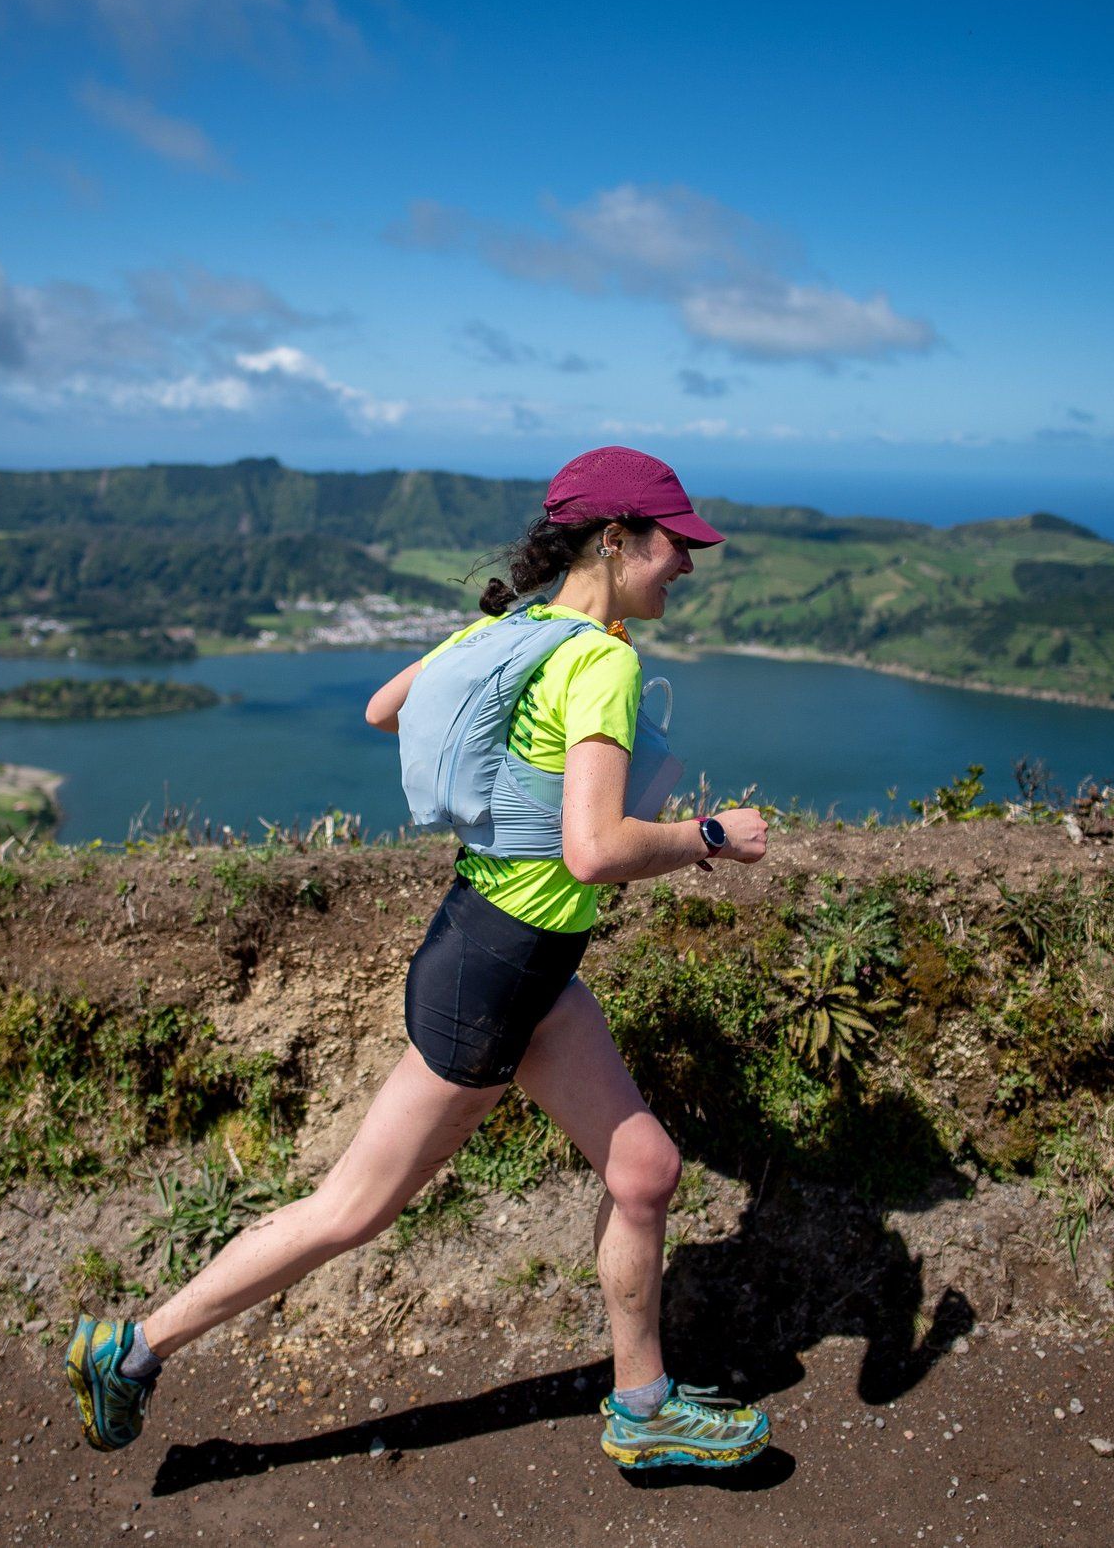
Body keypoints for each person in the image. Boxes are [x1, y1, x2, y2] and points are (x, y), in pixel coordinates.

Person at [67, 445, 775, 1471]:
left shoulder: (518, 629)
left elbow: (386, 706)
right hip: (492, 977)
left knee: (645, 1169)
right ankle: (130, 1352)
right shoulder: (597, 660)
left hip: (509, 953)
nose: (690, 566)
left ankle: (643, 1404)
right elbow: (596, 849)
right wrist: (712, 836)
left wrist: (504, 764)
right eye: (677, 545)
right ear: (617, 540)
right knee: (350, 1208)